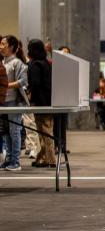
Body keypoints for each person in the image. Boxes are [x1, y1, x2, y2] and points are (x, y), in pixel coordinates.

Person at [26, 39, 55, 168]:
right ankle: (43, 157)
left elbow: (35, 84)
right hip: (49, 100)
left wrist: (30, 94)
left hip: (40, 102)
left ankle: (50, 159)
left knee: (44, 131)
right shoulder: (46, 63)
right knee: (46, 130)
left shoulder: (35, 64)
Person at [0, 35, 28, 171]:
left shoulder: (17, 63)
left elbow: (23, 81)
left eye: (3, 44)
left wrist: (4, 85)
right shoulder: (2, 62)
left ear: (11, 47)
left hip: (14, 102)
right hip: (2, 101)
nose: (0, 46)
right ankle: (8, 159)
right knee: (5, 131)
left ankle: (16, 162)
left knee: (14, 131)